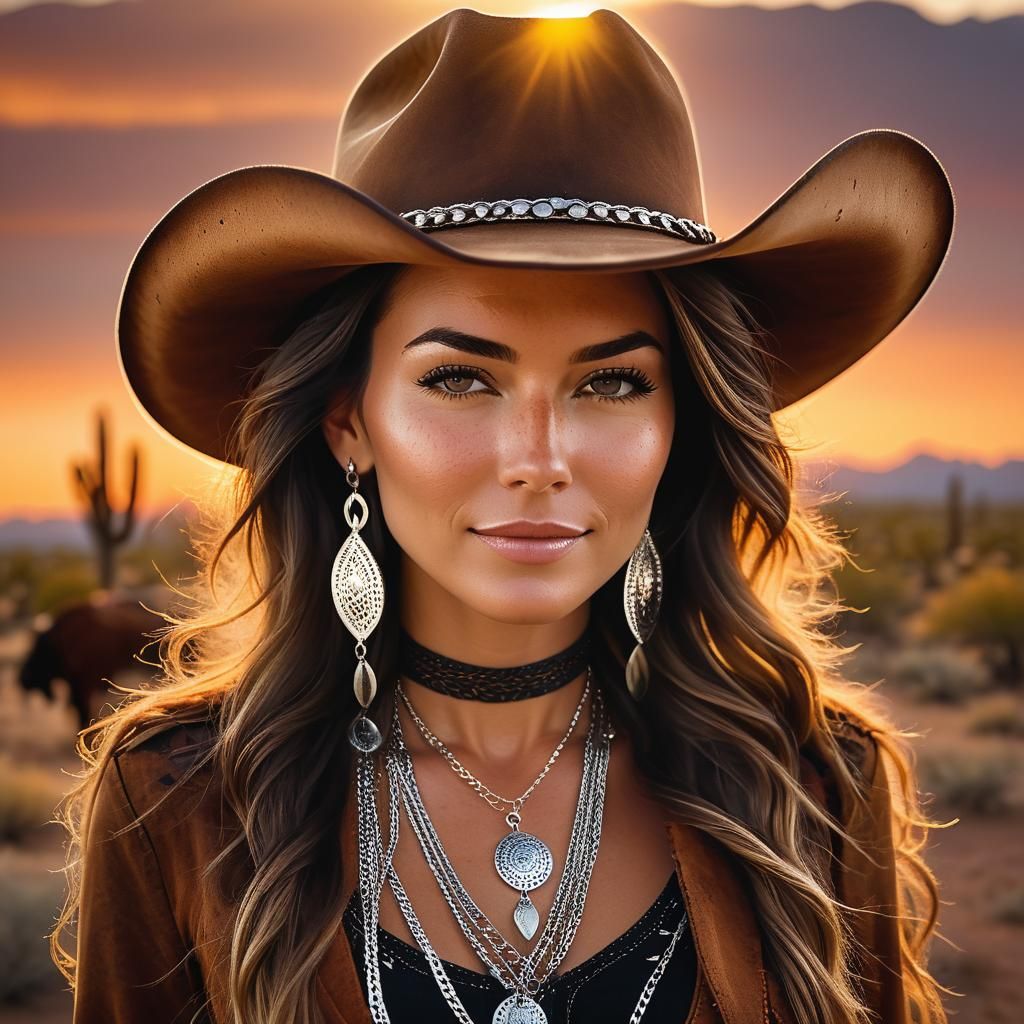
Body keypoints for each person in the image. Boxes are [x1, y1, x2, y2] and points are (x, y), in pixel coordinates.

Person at [53, 8, 956, 1024]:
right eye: (460, 380)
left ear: (680, 423)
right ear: (349, 419)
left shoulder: (813, 786)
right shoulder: (177, 803)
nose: (539, 460)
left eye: (611, 383)